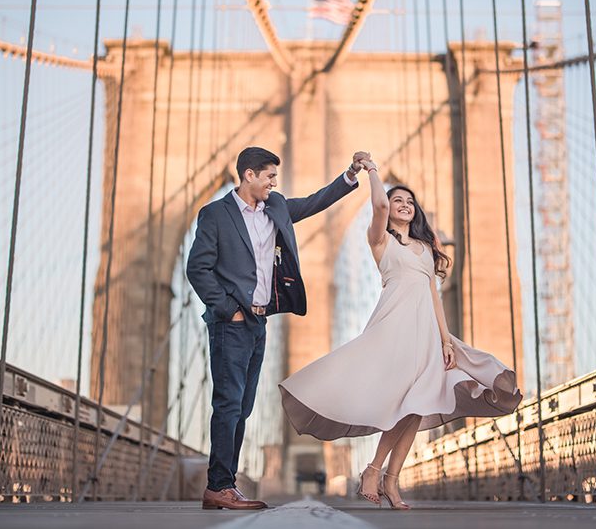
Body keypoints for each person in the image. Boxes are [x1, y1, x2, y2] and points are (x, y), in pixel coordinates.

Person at [279, 157, 522, 510]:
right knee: (405, 405)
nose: (405, 205)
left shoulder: (425, 249)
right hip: (394, 328)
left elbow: (434, 297)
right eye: (398, 201)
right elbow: (377, 203)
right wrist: (372, 171)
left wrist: (446, 340)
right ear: (388, 210)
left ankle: (386, 478)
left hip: (425, 333)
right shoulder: (379, 240)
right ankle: (376, 472)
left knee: (417, 406)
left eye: (410, 201)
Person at [186, 146, 370, 511]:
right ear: (249, 175)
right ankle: (218, 485)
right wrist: (227, 310)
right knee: (228, 404)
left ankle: (225, 484)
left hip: (258, 323)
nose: (274, 182)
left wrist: (351, 175)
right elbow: (197, 268)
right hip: (231, 324)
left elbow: (315, 202)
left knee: (243, 406)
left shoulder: (276, 207)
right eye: (269, 175)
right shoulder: (216, 215)